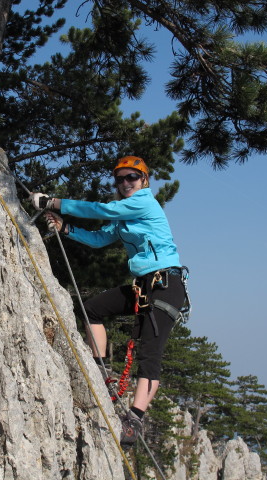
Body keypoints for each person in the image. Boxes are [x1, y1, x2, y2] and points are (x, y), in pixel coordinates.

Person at [30, 156, 187, 446]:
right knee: (92, 309)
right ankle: (99, 367)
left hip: (165, 285)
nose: (126, 183)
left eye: (132, 177)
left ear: (144, 181)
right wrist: (66, 229)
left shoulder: (144, 203)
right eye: (120, 178)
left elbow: (101, 209)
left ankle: (136, 419)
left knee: (150, 355)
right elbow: (100, 239)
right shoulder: (125, 217)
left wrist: (53, 202)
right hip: (144, 286)